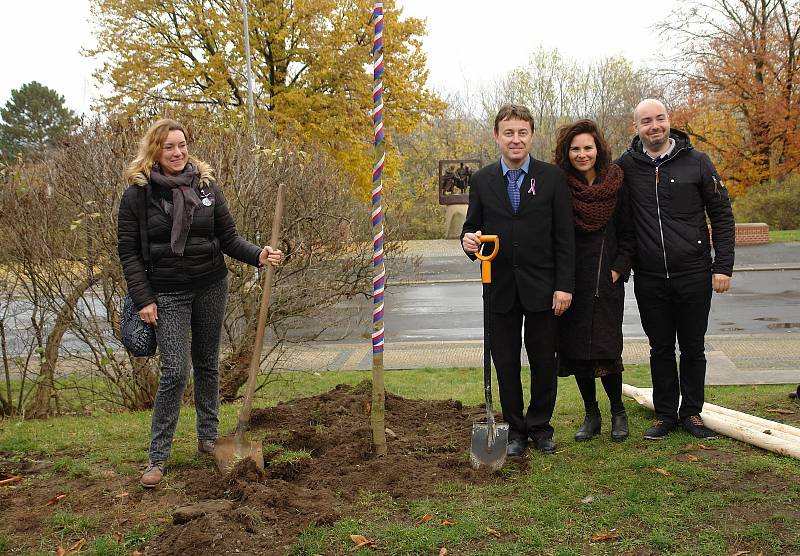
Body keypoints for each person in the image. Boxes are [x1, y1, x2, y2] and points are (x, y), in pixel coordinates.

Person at [117, 119, 283, 488]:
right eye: (169, 147)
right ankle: (157, 458)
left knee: (207, 363)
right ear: (154, 152)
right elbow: (128, 253)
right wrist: (144, 298)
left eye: (182, 144)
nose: (178, 153)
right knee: (175, 371)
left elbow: (228, 238)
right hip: (167, 292)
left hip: (211, 285)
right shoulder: (138, 196)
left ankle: (208, 439)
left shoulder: (206, 187)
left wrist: (259, 254)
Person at [461, 104, 575, 457]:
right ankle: (514, 431)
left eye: (522, 132)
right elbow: (471, 228)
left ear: (531, 135)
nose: (515, 139)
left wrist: (564, 285)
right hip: (498, 289)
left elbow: (565, 238)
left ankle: (540, 427)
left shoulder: (552, 178)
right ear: (496, 136)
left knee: (543, 361)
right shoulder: (482, 181)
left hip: (543, 288)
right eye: (508, 132)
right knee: (506, 363)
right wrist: (468, 241)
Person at [617, 99, 735, 440]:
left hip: (694, 273)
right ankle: (666, 414)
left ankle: (693, 413)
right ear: (636, 127)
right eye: (646, 121)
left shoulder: (697, 162)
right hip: (650, 276)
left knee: (694, 347)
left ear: (669, 121)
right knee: (660, 348)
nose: (654, 126)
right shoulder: (626, 166)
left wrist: (722, 265)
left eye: (660, 119)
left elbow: (722, 215)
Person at [554, 119, 634, 443]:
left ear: (597, 148)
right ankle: (591, 413)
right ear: (567, 152)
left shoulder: (617, 182)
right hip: (572, 282)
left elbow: (630, 234)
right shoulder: (560, 186)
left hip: (607, 280)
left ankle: (618, 411)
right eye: (575, 149)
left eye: (587, 147)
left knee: (607, 350)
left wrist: (619, 268)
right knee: (576, 352)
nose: (582, 154)